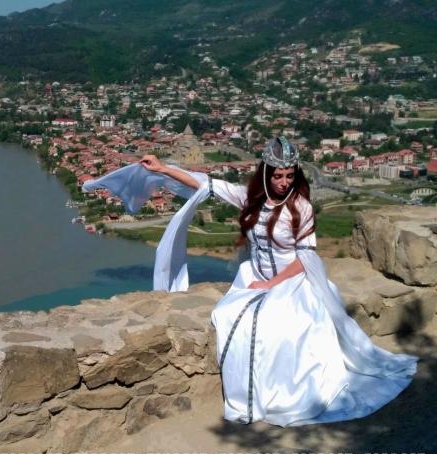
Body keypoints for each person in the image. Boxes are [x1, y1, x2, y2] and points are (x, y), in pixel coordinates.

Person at [84, 136, 418, 427]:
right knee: (227, 315)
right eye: (278, 175)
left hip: (294, 280)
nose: (284, 182)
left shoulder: (301, 207)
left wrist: (272, 285)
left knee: (272, 323)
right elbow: (206, 184)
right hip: (256, 276)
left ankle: (271, 396)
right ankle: (249, 396)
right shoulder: (250, 198)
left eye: (290, 175)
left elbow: (304, 259)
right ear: (266, 174)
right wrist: (162, 169)